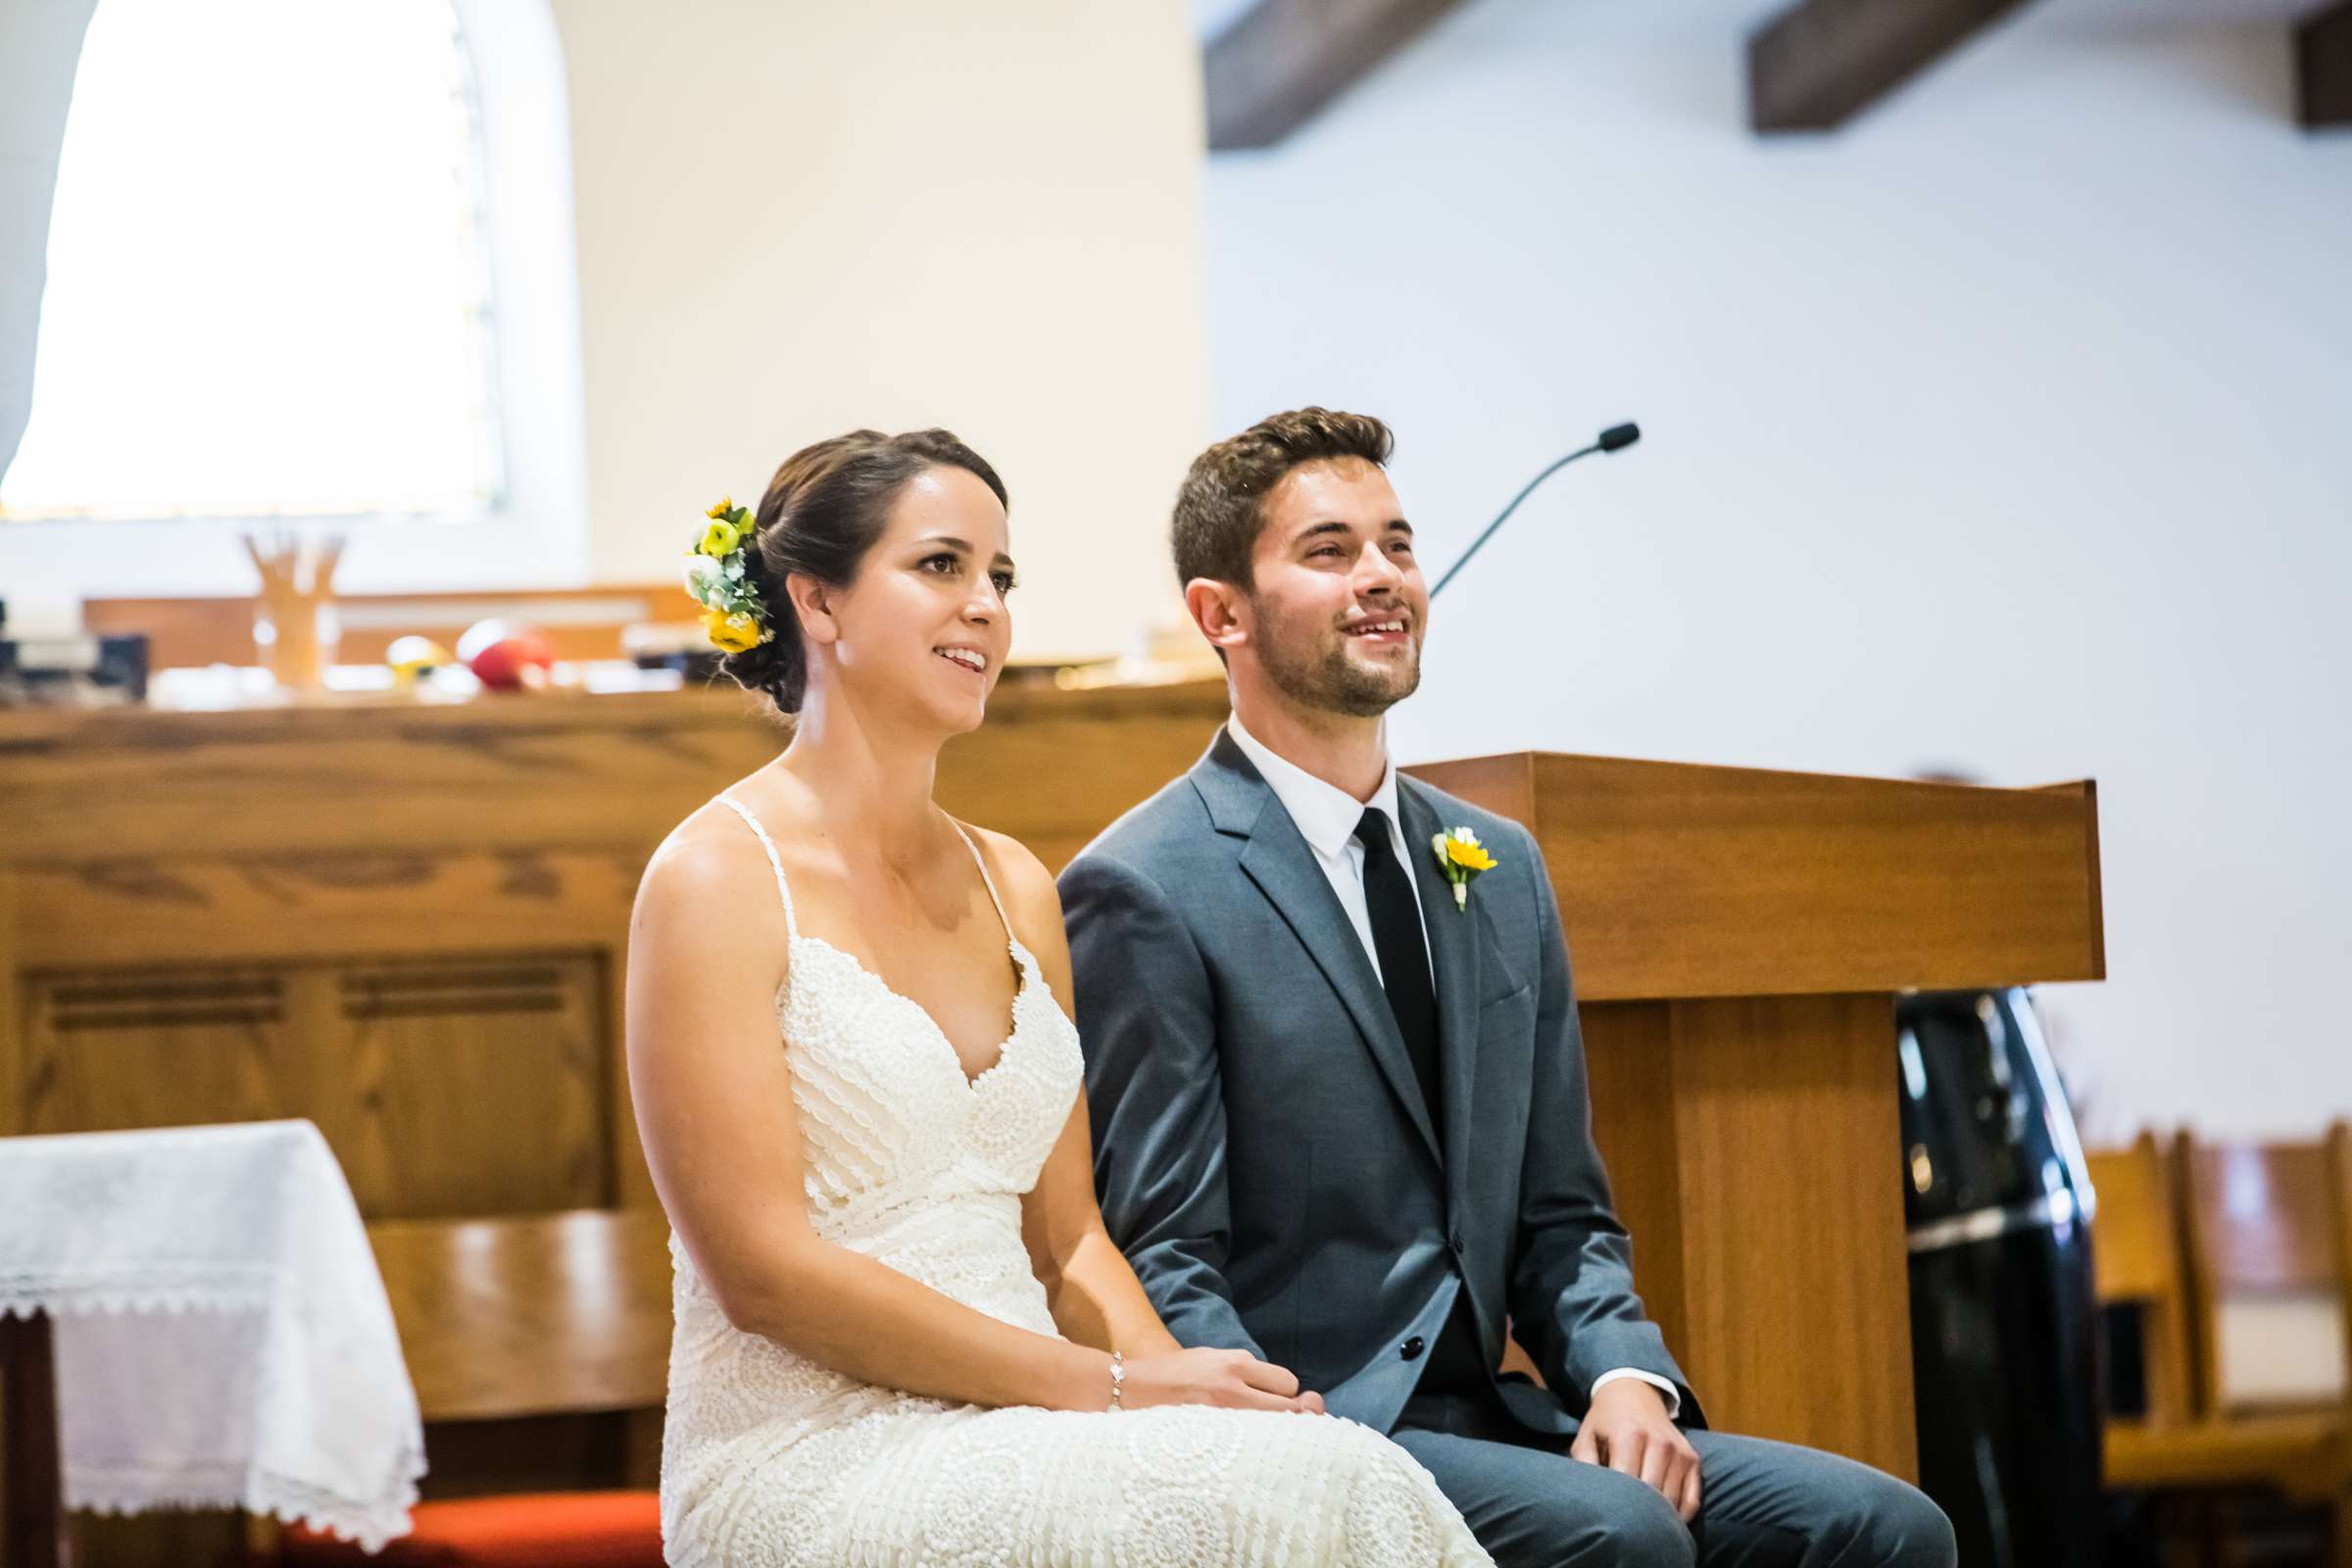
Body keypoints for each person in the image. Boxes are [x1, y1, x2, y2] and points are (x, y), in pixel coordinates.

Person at [1061, 408, 1959, 1568]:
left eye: (1398, 543)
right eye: (1330, 551)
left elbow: (1561, 1214)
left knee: (1885, 1528)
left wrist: (1627, 1376)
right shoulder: (1145, 883)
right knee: (1624, 1537)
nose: (1383, 577)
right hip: (1319, 1427)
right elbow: (1165, 1245)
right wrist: (1284, 1446)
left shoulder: (1496, 863)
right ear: (1218, 613)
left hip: (1502, 1410)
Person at [626, 427, 1489, 1567]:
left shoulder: (1014, 883)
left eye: (1001, 577)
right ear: (817, 604)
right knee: (1316, 1507)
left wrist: (1178, 1386)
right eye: (941, 566)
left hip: (1039, 1418)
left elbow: (1072, 1240)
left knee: (1327, 1471)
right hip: (813, 1451)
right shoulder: (717, 879)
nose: (985, 604)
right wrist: (1113, 1388)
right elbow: (763, 1274)